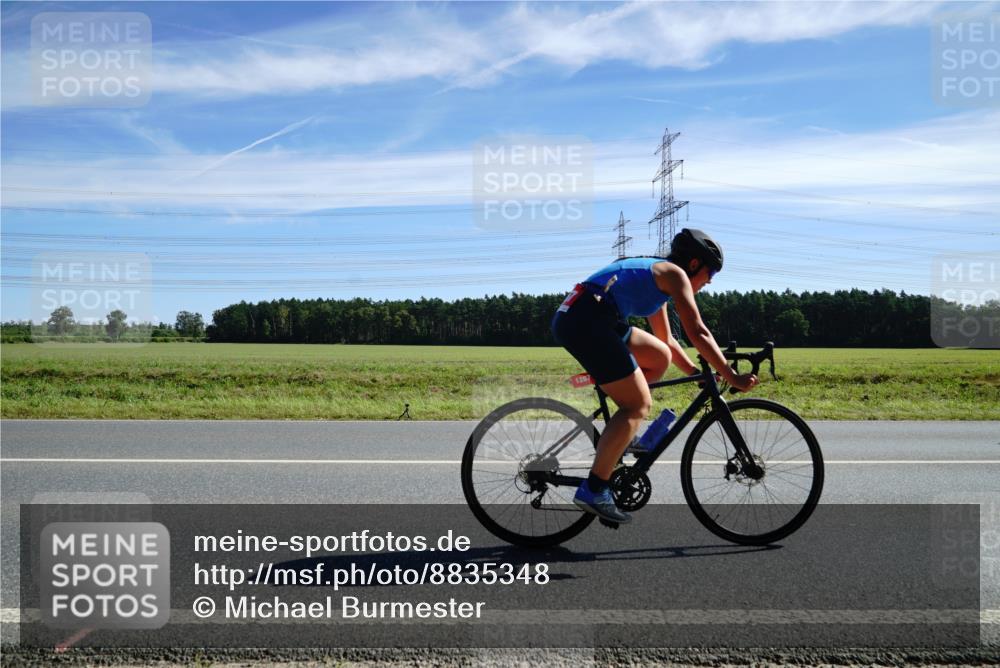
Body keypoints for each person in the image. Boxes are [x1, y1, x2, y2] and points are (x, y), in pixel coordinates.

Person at [550, 228, 758, 524]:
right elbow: (697, 331)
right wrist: (731, 375)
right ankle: (594, 489)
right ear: (695, 264)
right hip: (588, 319)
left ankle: (624, 433)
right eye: (711, 272)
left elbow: (669, 342)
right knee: (638, 405)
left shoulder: (658, 279)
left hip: (590, 315)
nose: (710, 280)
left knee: (658, 355)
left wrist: (697, 373)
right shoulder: (675, 274)